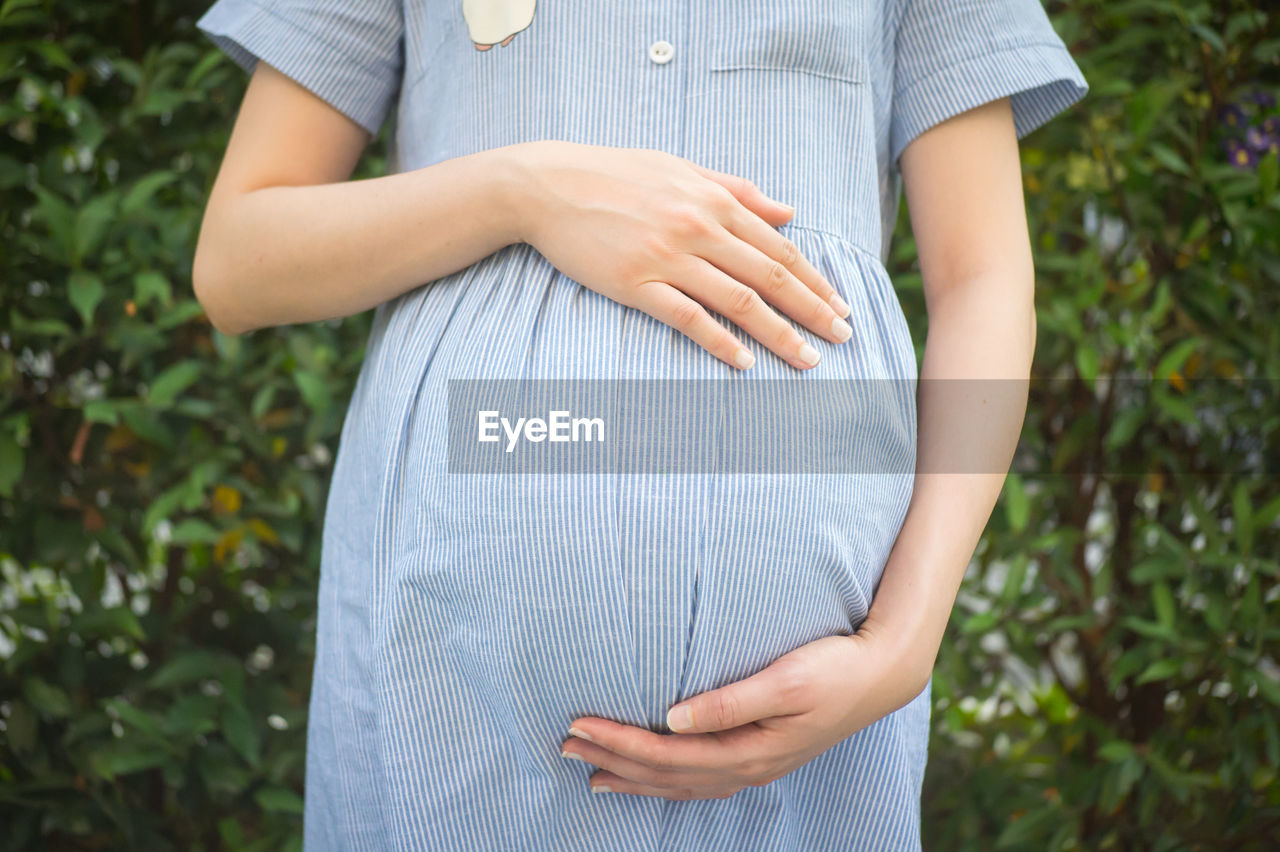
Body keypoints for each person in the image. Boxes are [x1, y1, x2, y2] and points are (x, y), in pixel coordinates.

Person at [192, 0, 1087, 848]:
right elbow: (237, 263)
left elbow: (985, 281)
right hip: (450, 685)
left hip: (824, 735)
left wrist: (904, 645)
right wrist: (522, 190)